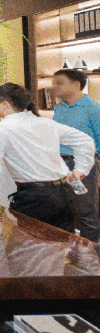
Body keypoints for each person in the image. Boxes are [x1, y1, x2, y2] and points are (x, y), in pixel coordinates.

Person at [0, 83, 94, 233]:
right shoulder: (46, 123)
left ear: (5, 104)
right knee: (61, 243)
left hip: (35, 198)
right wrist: (81, 169)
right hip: (64, 194)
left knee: (28, 244)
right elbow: (85, 141)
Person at [51, 69, 100, 242]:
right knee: (63, 210)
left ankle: (91, 254)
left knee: (86, 212)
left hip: (82, 166)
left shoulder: (93, 108)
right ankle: (68, 250)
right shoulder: (58, 107)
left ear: (77, 85)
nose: (54, 87)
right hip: (59, 164)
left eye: (60, 83)